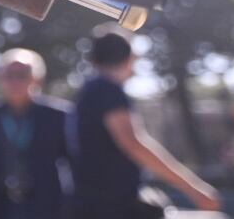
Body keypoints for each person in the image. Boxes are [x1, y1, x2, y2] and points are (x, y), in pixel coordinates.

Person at [69, 24, 221, 219]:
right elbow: (133, 144)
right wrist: (194, 189)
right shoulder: (107, 90)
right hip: (111, 206)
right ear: (129, 58)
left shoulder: (91, 90)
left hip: (95, 202)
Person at [0, 49, 70, 219]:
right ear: (0, 79)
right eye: (9, 75)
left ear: (37, 79)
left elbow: (75, 162)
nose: (15, 81)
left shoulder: (58, 116)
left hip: (46, 207)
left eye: (22, 75)